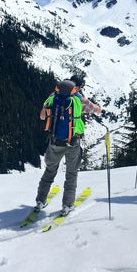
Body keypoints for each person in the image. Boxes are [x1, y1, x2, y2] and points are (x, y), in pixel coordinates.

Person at [33, 77, 101, 216]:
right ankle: (67, 205)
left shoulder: (54, 96)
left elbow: (42, 116)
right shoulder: (79, 100)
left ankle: (40, 201)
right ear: (79, 87)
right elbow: (97, 110)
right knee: (71, 174)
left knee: (49, 172)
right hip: (72, 143)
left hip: (55, 141)